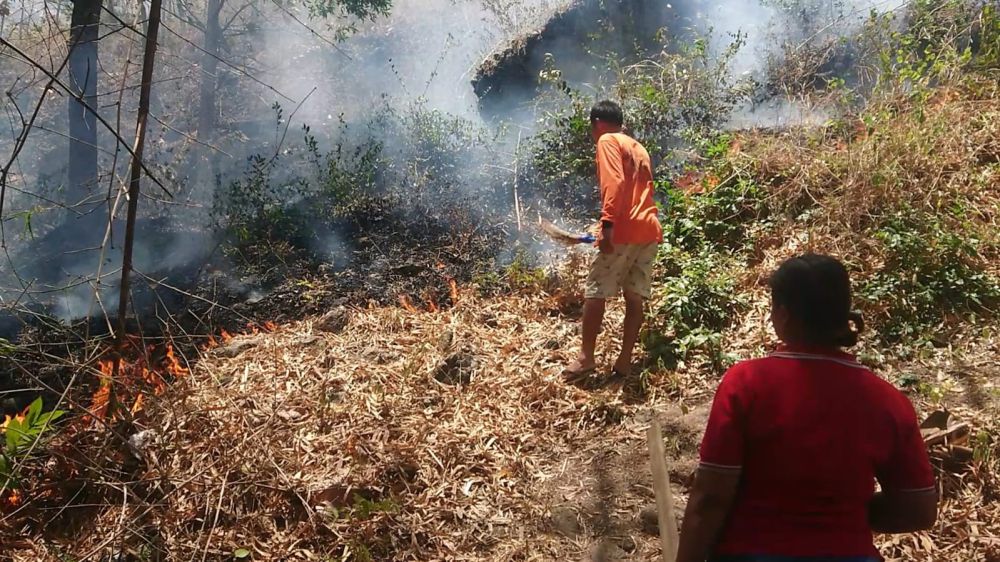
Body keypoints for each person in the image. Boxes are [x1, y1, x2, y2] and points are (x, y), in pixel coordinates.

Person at [676, 254, 938, 562]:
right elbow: (918, 510)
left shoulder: (746, 384)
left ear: (783, 315)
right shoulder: (887, 401)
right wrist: (844, 512)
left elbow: (710, 499)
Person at [563, 100, 663, 380]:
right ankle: (624, 362)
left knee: (595, 292)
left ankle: (586, 359)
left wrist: (607, 225)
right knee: (634, 296)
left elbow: (615, 184)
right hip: (649, 228)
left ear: (596, 123)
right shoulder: (638, 147)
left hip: (624, 229)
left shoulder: (607, 140)